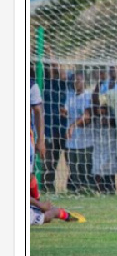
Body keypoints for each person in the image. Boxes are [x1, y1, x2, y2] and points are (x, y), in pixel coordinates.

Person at [63, 71, 94, 194]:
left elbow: (87, 116)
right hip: (71, 141)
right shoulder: (69, 95)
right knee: (73, 169)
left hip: (85, 141)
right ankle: (76, 191)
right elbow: (66, 109)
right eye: (75, 80)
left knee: (84, 169)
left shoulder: (88, 96)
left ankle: (88, 191)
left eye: (79, 80)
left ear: (84, 82)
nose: (76, 83)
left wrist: (73, 125)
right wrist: (63, 112)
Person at [42, 60, 68, 193]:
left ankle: (73, 185)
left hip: (63, 128)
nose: (51, 69)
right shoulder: (43, 84)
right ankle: (47, 185)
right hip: (48, 128)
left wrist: (51, 55)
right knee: (49, 160)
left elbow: (62, 74)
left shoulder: (61, 84)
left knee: (67, 159)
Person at [30, 76, 45, 201]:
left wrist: (40, 140)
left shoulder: (31, 85)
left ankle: (38, 204)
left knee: (28, 175)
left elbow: (38, 112)